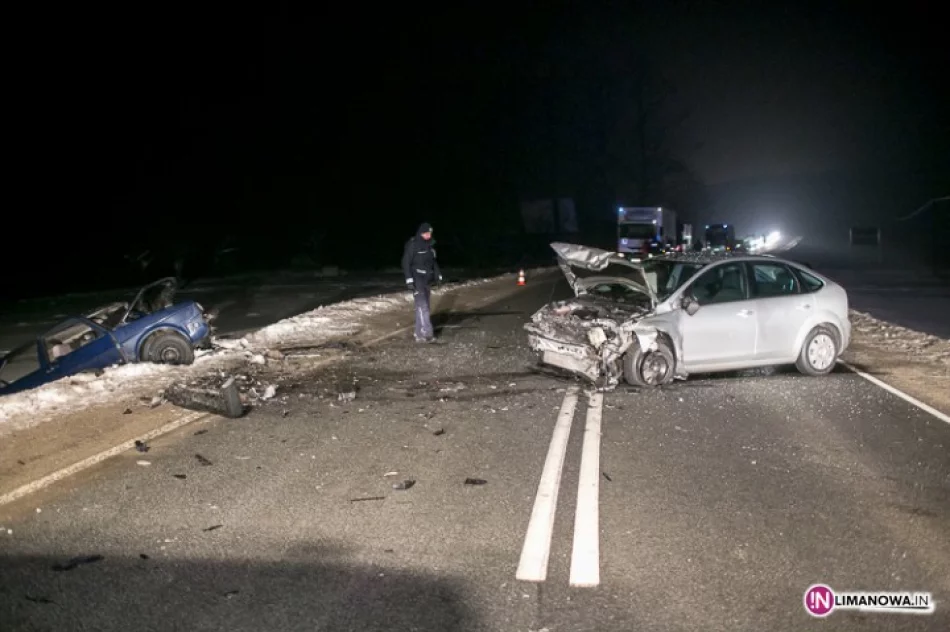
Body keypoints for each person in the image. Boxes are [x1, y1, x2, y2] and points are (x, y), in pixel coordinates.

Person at [402, 222, 442, 342]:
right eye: (425, 233)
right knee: (422, 306)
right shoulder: (413, 245)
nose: (428, 236)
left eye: (429, 233)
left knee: (424, 307)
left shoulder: (430, 246)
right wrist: (409, 280)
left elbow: (433, 263)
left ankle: (419, 333)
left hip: (426, 280)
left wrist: (438, 276)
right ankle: (428, 333)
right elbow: (405, 263)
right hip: (416, 278)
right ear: (420, 233)